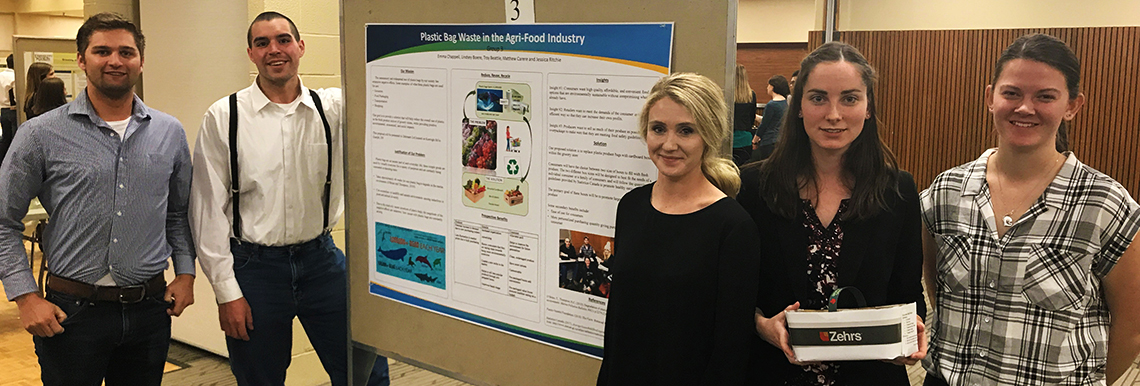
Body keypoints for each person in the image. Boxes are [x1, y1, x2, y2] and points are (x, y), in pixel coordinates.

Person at [920, 33, 1140, 386]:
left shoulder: (1104, 204)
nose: (1025, 108)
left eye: (1045, 97)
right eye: (1011, 93)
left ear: (1073, 106)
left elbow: (1130, 330)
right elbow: (937, 290)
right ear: (990, 97)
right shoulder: (946, 191)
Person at [190, 11, 389, 386]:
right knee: (259, 378)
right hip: (255, 269)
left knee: (366, 373)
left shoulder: (333, 108)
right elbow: (206, 212)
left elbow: (389, 94)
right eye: (262, 43)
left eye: (283, 40)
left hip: (322, 262)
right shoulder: (224, 116)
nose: (274, 50)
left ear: (301, 46)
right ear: (250, 53)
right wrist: (225, 292)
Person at [0, 13, 195, 386]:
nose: (115, 61)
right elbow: (4, 222)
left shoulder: (169, 132)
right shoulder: (40, 134)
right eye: (101, 51)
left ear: (141, 60)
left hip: (150, 311)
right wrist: (25, 296)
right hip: (71, 314)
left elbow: (177, 213)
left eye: (127, 52)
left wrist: (185, 273)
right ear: (81, 59)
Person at [737, 41, 927, 385]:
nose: (834, 114)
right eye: (818, 98)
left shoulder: (896, 190)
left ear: (868, 107)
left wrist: (908, 337)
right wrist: (763, 326)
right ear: (799, 106)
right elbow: (735, 294)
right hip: (775, 372)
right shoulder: (754, 186)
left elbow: (908, 296)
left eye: (850, 98)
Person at [596, 73, 760, 385]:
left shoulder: (732, 226)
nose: (669, 144)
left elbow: (731, 350)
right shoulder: (631, 206)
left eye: (686, 131)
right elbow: (618, 319)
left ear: (708, 136)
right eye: (658, 129)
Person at [749, 74, 790, 162]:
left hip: (769, 141)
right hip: (779, 140)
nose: (767, 88)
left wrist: (754, 140)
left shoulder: (772, 104)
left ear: (772, 87)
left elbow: (764, 125)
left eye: (768, 85)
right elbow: (772, 120)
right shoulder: (785, 103)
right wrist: (755, 116)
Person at [732, 64, 757, 165]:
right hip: (745, 138)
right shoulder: (751, 95)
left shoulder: (728, 95)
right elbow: (752, 117)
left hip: (730, 138)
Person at [0, 54, 14, 164]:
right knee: (15, 139)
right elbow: (15, 96)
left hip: (2, 110)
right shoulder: (15, 76)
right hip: (13, 109)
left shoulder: (0, 75)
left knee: (5, 138)